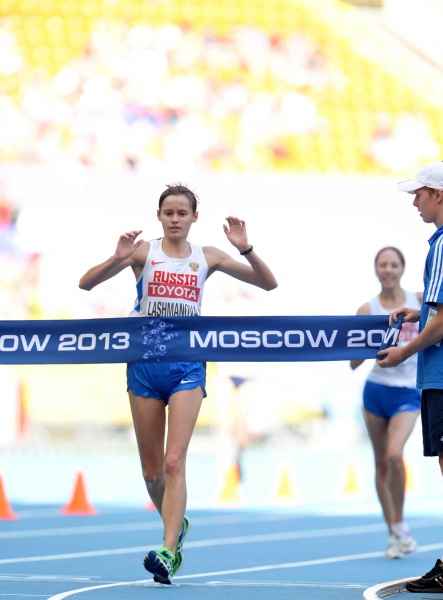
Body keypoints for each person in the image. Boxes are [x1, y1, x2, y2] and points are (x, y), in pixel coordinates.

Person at [78, 183, 278, 584]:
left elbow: (268, 283)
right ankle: (177, 524)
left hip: (186, 365)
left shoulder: (208, 256)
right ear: (159, 216)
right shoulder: (142, 252)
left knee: (174, 462)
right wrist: (116, 257)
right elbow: (86, 283)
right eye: (168, 212)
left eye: (181, 213)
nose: (174, 219)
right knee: (152, 473)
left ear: (193, 218)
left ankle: (168, 551)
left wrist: (246, 248)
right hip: (145, 366)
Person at [376, 160, 443, 592]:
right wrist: (422, 312)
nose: (414, 202)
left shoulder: (442, 243)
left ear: (438, 194)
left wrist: (405, 349)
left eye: (418, 194)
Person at [350, 247, 422, 559]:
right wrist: (367, 347)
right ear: (376, 269)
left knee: (394, 456)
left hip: (408, 391)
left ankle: (401, 523)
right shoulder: (368, 309)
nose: (388, 270)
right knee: (380, 462)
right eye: (383, 265)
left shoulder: (419, 301)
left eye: (394, 265)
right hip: (376, 391)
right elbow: (353, 361)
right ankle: (392, 532)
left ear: (402, 269)